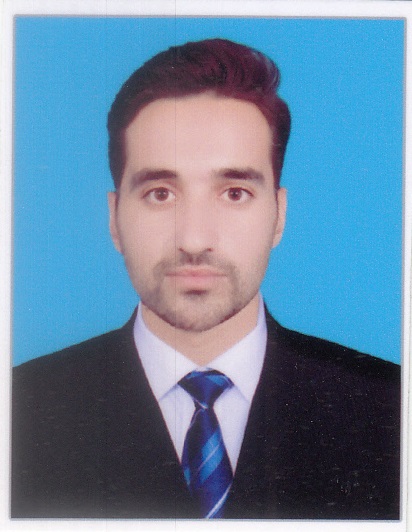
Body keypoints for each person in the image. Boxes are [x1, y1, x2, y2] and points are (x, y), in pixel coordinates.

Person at [11, 38, 400, 520]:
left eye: (234, 193)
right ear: (114, 218)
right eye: (160, 193)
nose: (194, 240)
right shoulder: (21, 410)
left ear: (278, 215)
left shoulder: (389, 409)